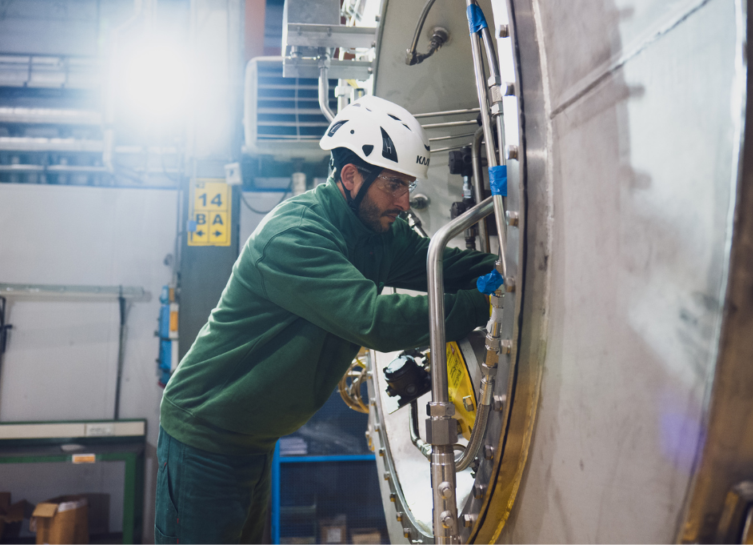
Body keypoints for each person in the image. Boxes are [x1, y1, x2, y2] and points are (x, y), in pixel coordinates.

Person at [155, 96, 497, 543]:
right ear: (351, 177)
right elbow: (373, 319)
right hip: (204, 440)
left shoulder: (376, 231)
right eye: (393, 185)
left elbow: (437, 264)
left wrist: (505, 269)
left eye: (407, 186)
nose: (404, 201)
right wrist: (481, 305)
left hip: (251, 440)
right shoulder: (297, 235)